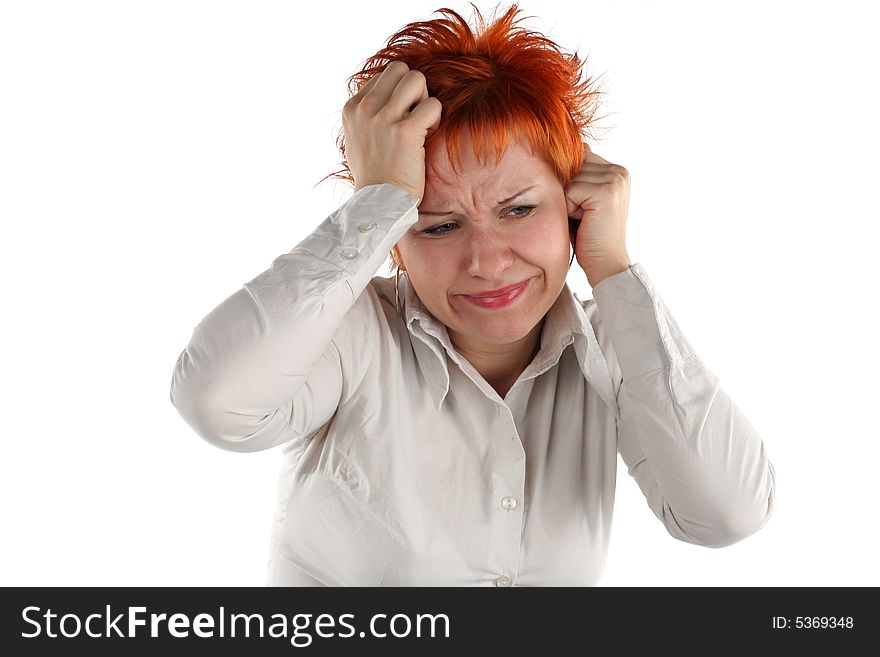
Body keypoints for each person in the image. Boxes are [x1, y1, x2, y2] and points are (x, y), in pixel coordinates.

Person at [170, 2, 776, 586]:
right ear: (394, 241)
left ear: (574, 206)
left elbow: (726, 514)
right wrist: (377, 202)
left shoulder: (613, 351)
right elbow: (218, 403)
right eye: (437, 224)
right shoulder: (346, 335)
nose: (487, 262)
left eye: (518, 209)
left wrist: (612, 268)